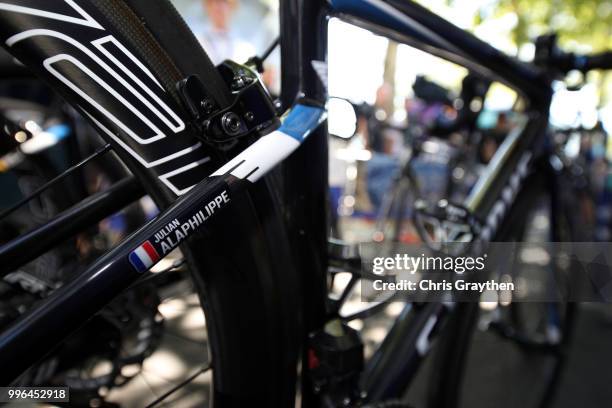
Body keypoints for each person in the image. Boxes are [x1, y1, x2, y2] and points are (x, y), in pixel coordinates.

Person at [198, 0, 254, 65]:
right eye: (214, 2)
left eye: (224, 2)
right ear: (207, 7)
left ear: (232, 7)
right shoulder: (197, 42)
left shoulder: (245, 48)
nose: (218, 7)